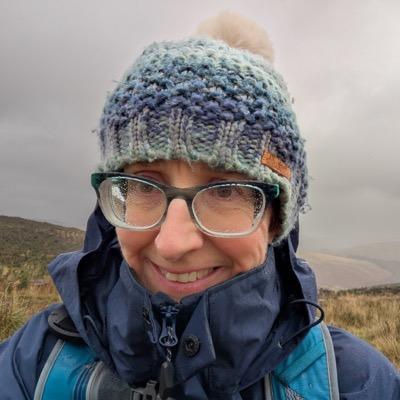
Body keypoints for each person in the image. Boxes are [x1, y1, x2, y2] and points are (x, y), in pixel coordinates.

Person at [0, 11, 399, 400]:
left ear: (277, 219)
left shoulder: (354, 384)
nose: (173, 244)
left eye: (225, 191)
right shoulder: (32, 364)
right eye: (144, 185)